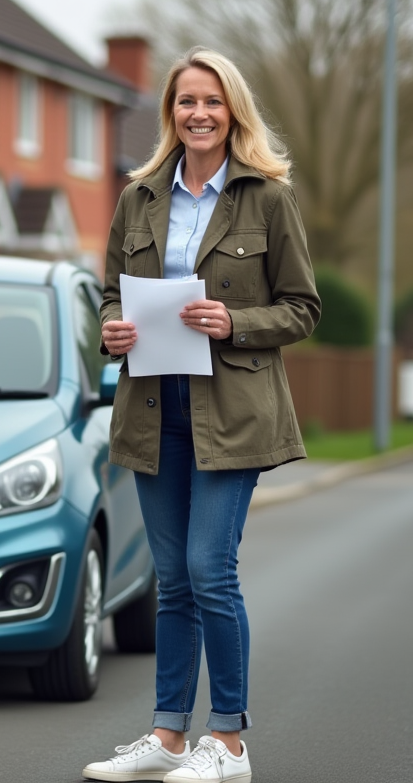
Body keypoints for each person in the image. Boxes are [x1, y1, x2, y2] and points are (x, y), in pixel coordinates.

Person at [83, 46, 320, 783]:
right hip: (154, 410)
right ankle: (167, 737)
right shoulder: (139, 197)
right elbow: (112, 293)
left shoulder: (268, 199)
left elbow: (303, 308)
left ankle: (231, 743)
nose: (199, 114)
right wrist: (113, 328)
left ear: (232, 112)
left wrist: (234, 322)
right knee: (172, 579)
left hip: (236, 413)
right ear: (171, 113)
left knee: (208, 571)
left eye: (212, 102)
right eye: (187, 101)